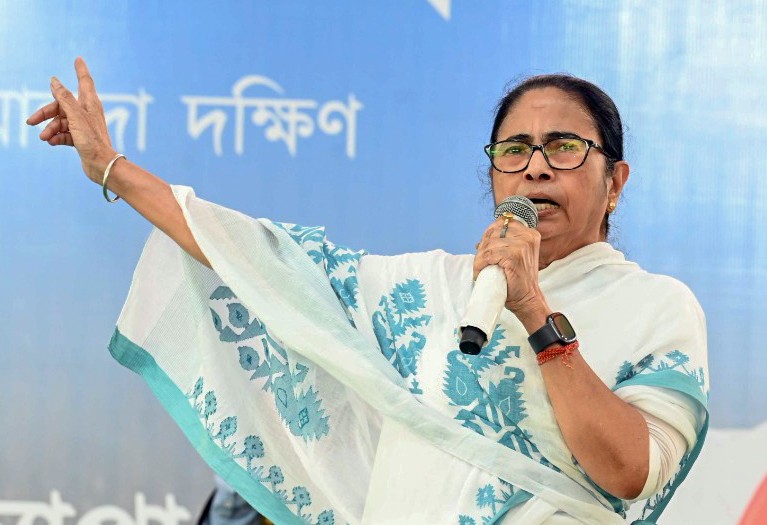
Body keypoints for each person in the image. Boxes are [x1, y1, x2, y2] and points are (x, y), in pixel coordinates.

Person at [28, 58, 708, 524]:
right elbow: (262, 259)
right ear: (494, 174)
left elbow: (629, 468)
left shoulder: (655, 307)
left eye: (563, 147)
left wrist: (534, 312)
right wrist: (111, 168)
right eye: (513, 149)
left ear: (614, 181)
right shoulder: (429, 289)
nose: (534, 167)